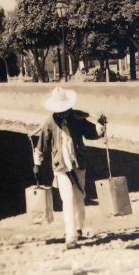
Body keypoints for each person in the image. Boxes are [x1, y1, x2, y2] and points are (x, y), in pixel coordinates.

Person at [32, 86, 107, 249]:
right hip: (60, 166)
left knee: (80, 197)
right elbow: (42, 144)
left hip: (78, 163)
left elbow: (91, 132)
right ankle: (71, 235)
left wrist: (100, 127)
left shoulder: (78, 118)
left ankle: (79, 227)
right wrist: (37, 164)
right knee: (67, 199)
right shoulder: (49, 121)